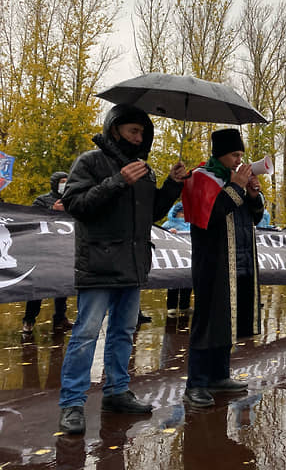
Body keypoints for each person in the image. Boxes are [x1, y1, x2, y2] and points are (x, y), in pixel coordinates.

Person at [57, 104, 186, 435]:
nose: (140, 137)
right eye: (133, 131)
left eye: (143, 132)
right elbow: (76, 205)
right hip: (99, 264)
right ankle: (72, 403)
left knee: (123, 332)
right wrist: (117, 181)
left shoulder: (145, 169)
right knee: (86, 334)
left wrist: (172, 185)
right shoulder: (90, 161)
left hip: (132, 264)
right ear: (115, 129)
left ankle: (116, 391)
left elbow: (152, 214)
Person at [181, 128, 264, 408]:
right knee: (207, 319)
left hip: (239, 259)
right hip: (213, 262)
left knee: (226, 321)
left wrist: (253, 195)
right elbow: (213, 215)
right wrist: (237, 187)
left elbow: (255, 217)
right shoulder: (201, 177)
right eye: (234, 154)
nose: (240, 159)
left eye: (242, 154)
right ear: (220, 154)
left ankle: (219, 376)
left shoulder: (234, 180)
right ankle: (196, 383)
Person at [22, 171, 74, 333]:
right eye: (62, 181)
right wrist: (52, 210)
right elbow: (32, 220)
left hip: (64, 248)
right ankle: (29, 320)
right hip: (44, 250)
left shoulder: (71, 199)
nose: (64, 184)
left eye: (67, 181)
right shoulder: (41, 200)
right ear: (54, 183)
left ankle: (60, 318)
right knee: (38, 287)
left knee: (63, 287)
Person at [162, 202, 192, 317]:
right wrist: (170, 233)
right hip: (174, 258)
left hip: (188, 257)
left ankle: (184, 306)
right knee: (173, 283)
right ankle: (171, 307)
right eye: (182, 212)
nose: (184, 215)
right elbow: (162, 236)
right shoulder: (168, 224)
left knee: (188, 282)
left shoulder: (191, 224)